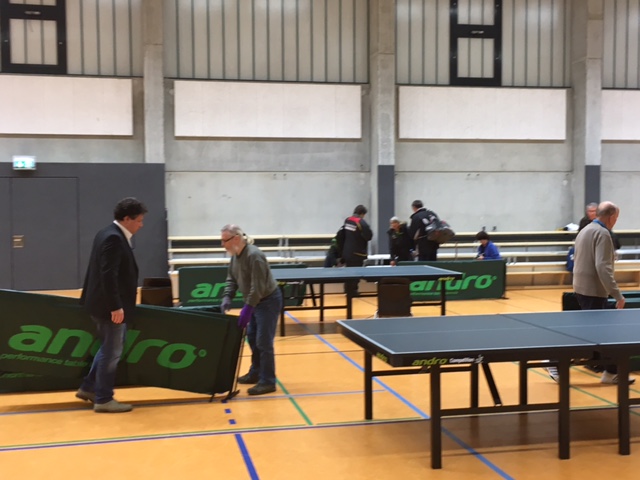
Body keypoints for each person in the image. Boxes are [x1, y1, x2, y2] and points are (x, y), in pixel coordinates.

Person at [76, 197, 147, 413]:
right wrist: (115, 306)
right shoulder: (114, 238)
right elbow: (108, 275)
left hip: (101, 304)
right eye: (139, 220)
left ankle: (89, 387)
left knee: (109, 347)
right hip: (109, 307)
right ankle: (104, 399)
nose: (141, 225)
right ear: (126, 219)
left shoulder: (106, 233)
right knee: (112, 352)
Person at [573, 201, 633, 384]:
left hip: (581, 287)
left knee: (603, 334)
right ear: (611, 216)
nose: (616, 220)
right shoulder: (603, 233)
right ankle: (554, 360)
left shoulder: (585, 230)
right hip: (593, 290)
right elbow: (603, 267)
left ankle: (611, 371)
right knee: (596, 334)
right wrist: (617, 294)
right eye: (617, 217)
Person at [219, 224, 283, 395]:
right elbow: (231, 279)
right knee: (253, 339)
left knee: (264, 342)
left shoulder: (254, 256)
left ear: (236, 238)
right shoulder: (235, 256)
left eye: (225, 240)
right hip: (255, 302)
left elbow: (258, 287)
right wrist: (227, 296)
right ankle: (256, 372)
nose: (222, 245)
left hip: (268, 301)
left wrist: (247, 309)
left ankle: (268, 381)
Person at [336, 205, 373, 296]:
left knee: (348, 271)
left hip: (346, 251)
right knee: (356, 272)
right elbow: (369, 236)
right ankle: (353, 291)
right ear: (362, 213)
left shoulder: (347, 220)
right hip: (357, 253)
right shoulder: (361, 222)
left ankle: (347, 290)